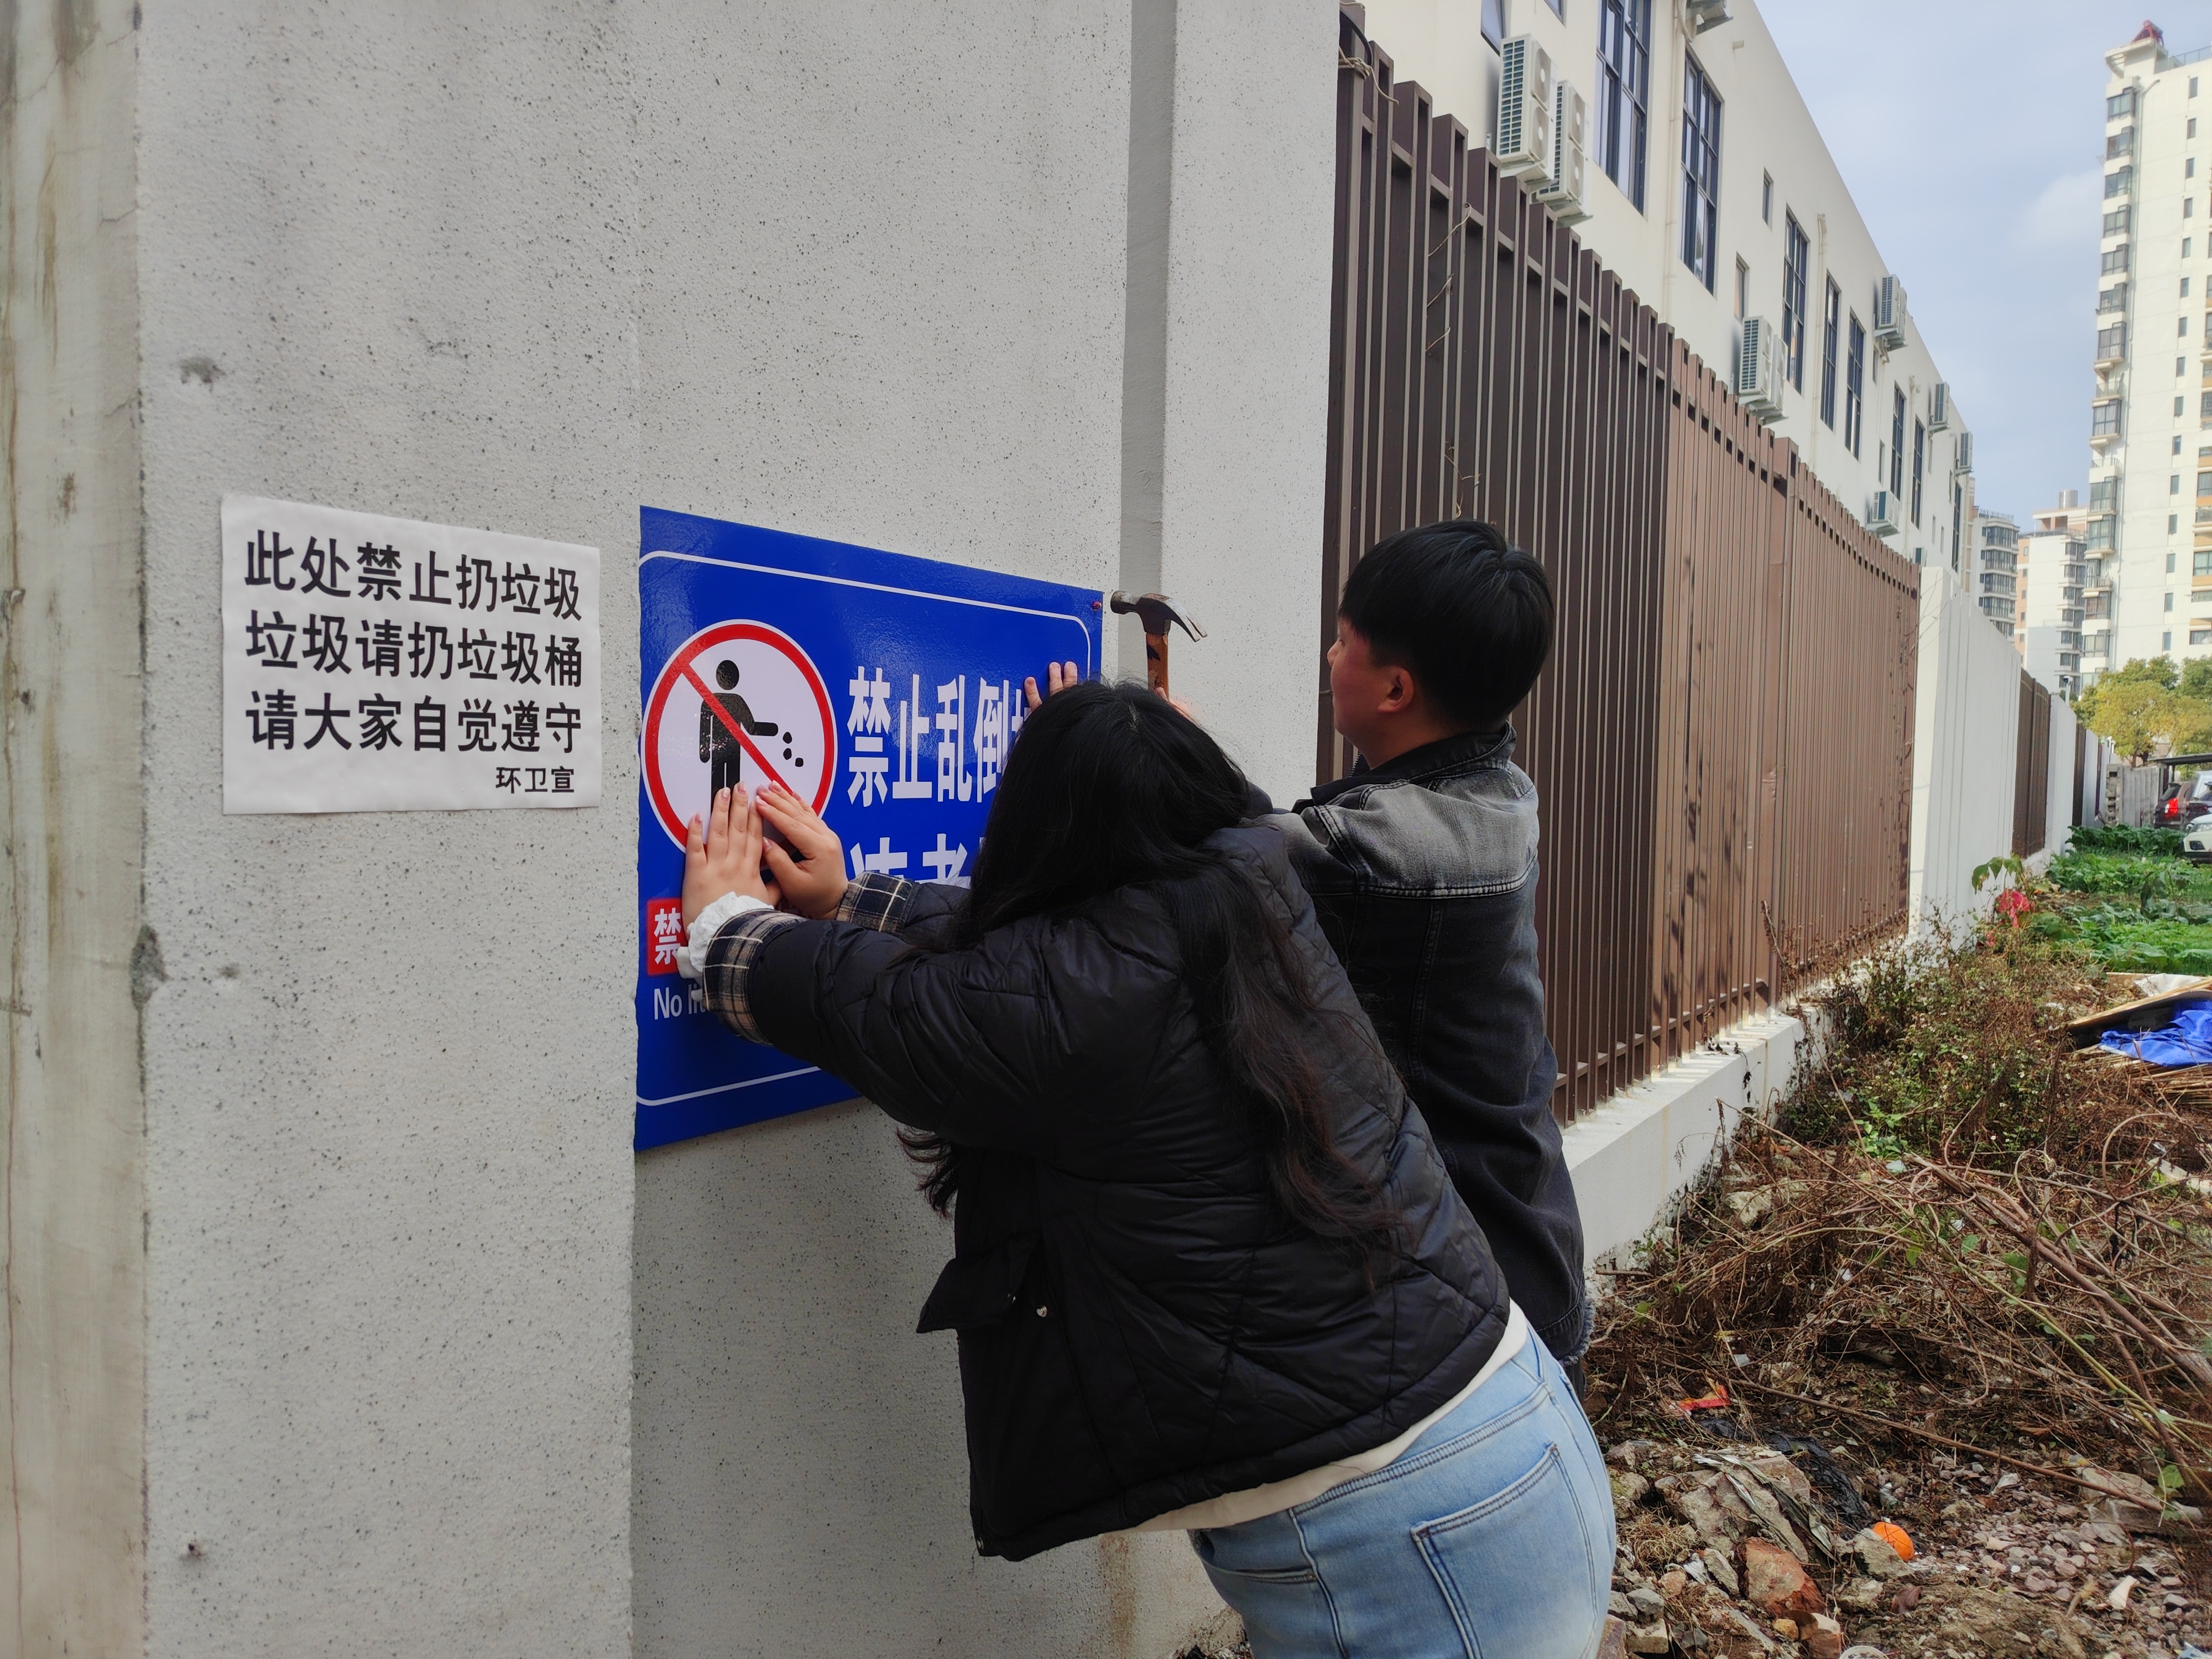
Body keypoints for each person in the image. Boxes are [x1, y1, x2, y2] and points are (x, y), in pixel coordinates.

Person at [673, 682, 1611, 1658]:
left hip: (1413, 1531)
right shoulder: (1250, 879)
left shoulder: (1079, 998)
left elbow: (897, 1006)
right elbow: (1030, 969)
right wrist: (854, 900)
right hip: (1508, 1432)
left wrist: (727, 928)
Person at [1268, 520, 1590, 1390]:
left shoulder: (1384, 851)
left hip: (1477, 1311)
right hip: (1528, 1252)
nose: (1329, 656)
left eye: (1344, 642)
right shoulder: (1498, 791)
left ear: (1395, 688)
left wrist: (1129, 741)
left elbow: (1230, 852)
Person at [698, 658, 779, 797]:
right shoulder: (735, 701)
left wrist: (705, 751)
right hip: (732, 751)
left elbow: (705, 729)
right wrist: (772, 729)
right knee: (731, 787)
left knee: (719, 787)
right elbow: (751, 727)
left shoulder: (713, 700)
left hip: (725, 751)